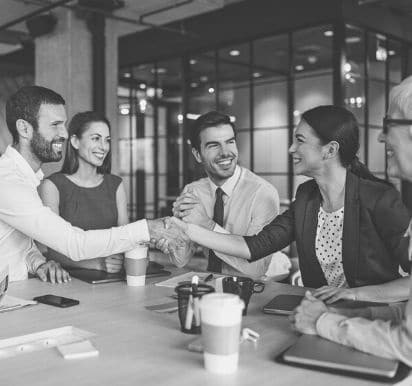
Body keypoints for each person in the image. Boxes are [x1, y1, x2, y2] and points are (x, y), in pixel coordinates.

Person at [166, 105, 410, 303]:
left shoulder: (380, 200)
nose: (291, 148)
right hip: (319, 317)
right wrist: (188, 228)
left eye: (300, 140)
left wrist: (354, 294)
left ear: (329, 150)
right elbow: (253, 247)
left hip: (375, 320)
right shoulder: (306, 196)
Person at [0, 86, 184, 283]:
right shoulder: (8, 183)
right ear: (25, 129)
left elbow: (16, 245)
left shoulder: (25, 178)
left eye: (64, 125)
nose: (65, 134)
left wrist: (37, 263)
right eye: (56, 125)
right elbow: (74, 244)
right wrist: (147, 228)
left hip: (13, 294)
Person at [291, 76, 412, 366]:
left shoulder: (380, 199)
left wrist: (323, 321)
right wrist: (346, 312)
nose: (381, 137)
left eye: (388, 125)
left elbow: (408, 346)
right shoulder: (307, 196)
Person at [171, 111, 290, 278]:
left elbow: (256, 269)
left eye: (230, 142)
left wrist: (205, 224)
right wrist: (179, 227)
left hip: (260, 286)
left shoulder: (262, 193)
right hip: (212, 285)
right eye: (213, 145)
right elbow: (180, 261)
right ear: (198, 154)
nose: (225, 152)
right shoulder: (194, 191)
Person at [39, 111, 126, 273]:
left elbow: (126, 240)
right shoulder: (52, 186)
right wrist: (96, 263)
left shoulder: (116, 185)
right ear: (75, 141)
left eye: (107, 140)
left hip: (113, 280)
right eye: (96, 138)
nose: (104, 147)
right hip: (69, 282)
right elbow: (51, 250)